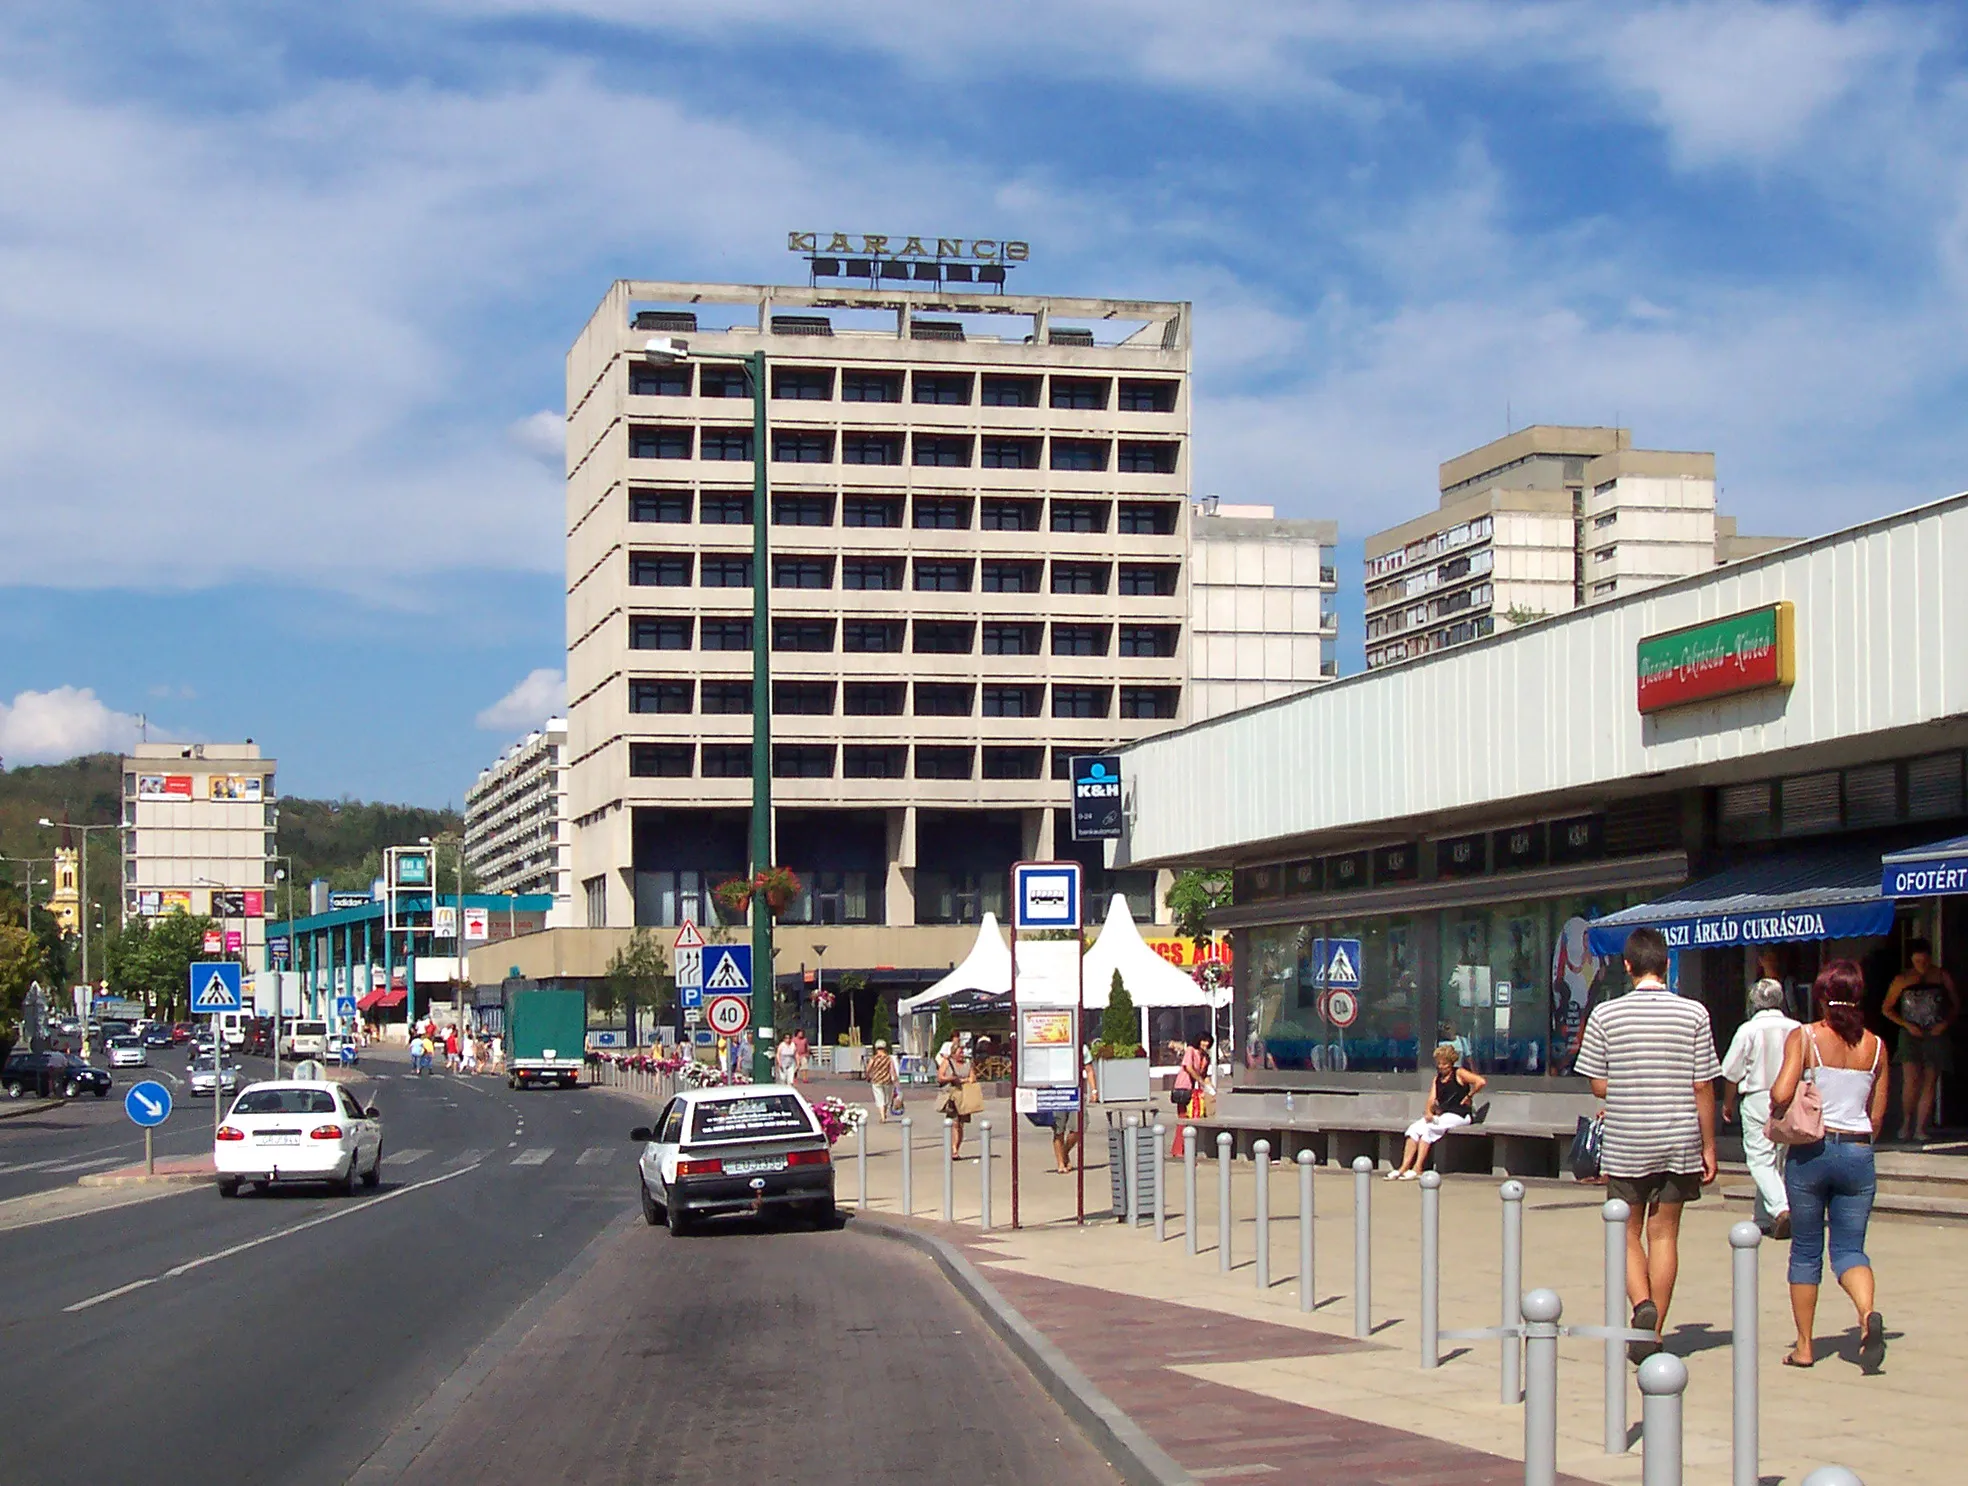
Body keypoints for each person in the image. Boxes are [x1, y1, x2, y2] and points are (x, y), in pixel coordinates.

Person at [1573, 926, 1721, 1363]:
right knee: (1666, 1234)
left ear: (1627, 966)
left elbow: (1599, 1086)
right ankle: (1653, 1335)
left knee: (1624, 1230)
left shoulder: (1606, 1015)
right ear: (1667, 964)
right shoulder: (1694, 1014)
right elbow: (1703, 1087)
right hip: (1679, 1137)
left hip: (1627, 1138)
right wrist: (1708, 1145)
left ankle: (1641, 1306)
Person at [1769, 959, 1889, 1371]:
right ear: (1858, 998)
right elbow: (1877, 1117)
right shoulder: (1876, 1046)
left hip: (1813, 1153)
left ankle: (1804, 1347)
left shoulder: (1804, 1037)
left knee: (1805, 1251)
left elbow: (1782, 1092)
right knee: (1850, 1250)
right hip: (1858, 1153)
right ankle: (1865, 1314)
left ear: (1821, 996)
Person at [1722, 978, 1801, 1237]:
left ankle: (1781, 1209)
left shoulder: (1748, 1030)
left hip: (1757, 1097)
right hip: (1790, 1096)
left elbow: (1731, 1072)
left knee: (1759, 1160)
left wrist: (1728, 1103)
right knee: (1779, 1159)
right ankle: (1764, 1218)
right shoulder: (1796, 1028)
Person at [1882, 938, 1957, 1143]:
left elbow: (1955, 1005)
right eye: (1917, 962)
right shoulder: (1902, 979)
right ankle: (1906, 1124)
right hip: (1910, 1033)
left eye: (1924, 962)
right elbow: (1886, 1008)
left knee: (1930, 1080)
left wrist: (1944, 1023)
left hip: (1935, 1032)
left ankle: (1920, 1127)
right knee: (1911, 1080)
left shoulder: (1941, 976)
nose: (1921, 966)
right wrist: (1906, 1025)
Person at [1389, 1043, 1487, 1179]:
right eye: (1439, 1064)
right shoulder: (1437, 1079)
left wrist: (1469, 1096)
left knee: (1429, 1130)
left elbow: (1480, 1082)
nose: (1441, 1067)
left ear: (1451, 1063)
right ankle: (1403, 1167)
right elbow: (1431, 1099)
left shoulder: (1459, 1073)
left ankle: (1418, 1167)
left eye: (1445, 1064)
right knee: (1414, 1129)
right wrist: (1428, 1112)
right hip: (1443, 1115)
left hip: (1460, 1114)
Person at [937, 1037, 973, 1158]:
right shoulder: (947, 1063)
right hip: (951, 1096)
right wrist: (950, 1078)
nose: (962, 1055)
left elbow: (973, 1078)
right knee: (954, 1123)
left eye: (963, 1052)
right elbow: (940, 1077)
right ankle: (953, 1150)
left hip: (964, 1096)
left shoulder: (968, 1064)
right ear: (953, 1053)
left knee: (961, 1124)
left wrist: (963, 1080)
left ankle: (956, 1147)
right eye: (960, 1052)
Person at [866, 1040, 898, 1123]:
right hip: (887, 1081)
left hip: (876, 1080)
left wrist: (868, 1076)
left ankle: (882, 1116)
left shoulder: (873, 1058)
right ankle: (884, 1114)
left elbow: (868, 1068)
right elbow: (892, 1070)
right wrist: (895, 1079)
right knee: (887, 1098)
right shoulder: (888, 1058)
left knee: (879, 1098)